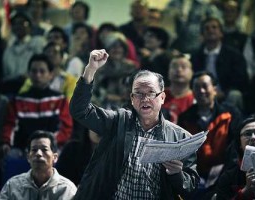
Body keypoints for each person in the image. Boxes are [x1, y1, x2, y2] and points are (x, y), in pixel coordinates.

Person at [69, 49, 199, 199]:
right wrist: (91, 69)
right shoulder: (117, 121)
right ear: (131, 98)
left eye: (151, 93)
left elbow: (190, 187)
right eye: (138, 93)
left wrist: (177, 174)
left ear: (162, 97)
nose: (144, 99)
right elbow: (79, 110)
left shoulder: (181, 137)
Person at [178, 71, 241, 198]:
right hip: (195, 176)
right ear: (192, 92)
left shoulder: (231, 114)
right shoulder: (185, 118)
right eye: (196, 87)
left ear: (215, 89)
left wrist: (223, 175)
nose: (201, 91)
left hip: (224, 175)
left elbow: (234, 150)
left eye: (205, 86)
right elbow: (182, 152)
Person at [0, 130, 77, 200]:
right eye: (34, 150)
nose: (38, 154)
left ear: (55, 157)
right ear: (28, 157)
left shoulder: (67, 189)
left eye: (44, 149)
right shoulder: (12, 186)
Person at [215, 114, 255, 200]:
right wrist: (246, 191)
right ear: (239, 143)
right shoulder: (228, 178)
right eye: (247, 134)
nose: (253, 137)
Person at [163, 54, 194, 123]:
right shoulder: (157, 96)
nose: (179, 70)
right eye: (174, 66)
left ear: (192, 72)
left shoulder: (196, 99)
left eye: (184, 67)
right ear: (168, 72)